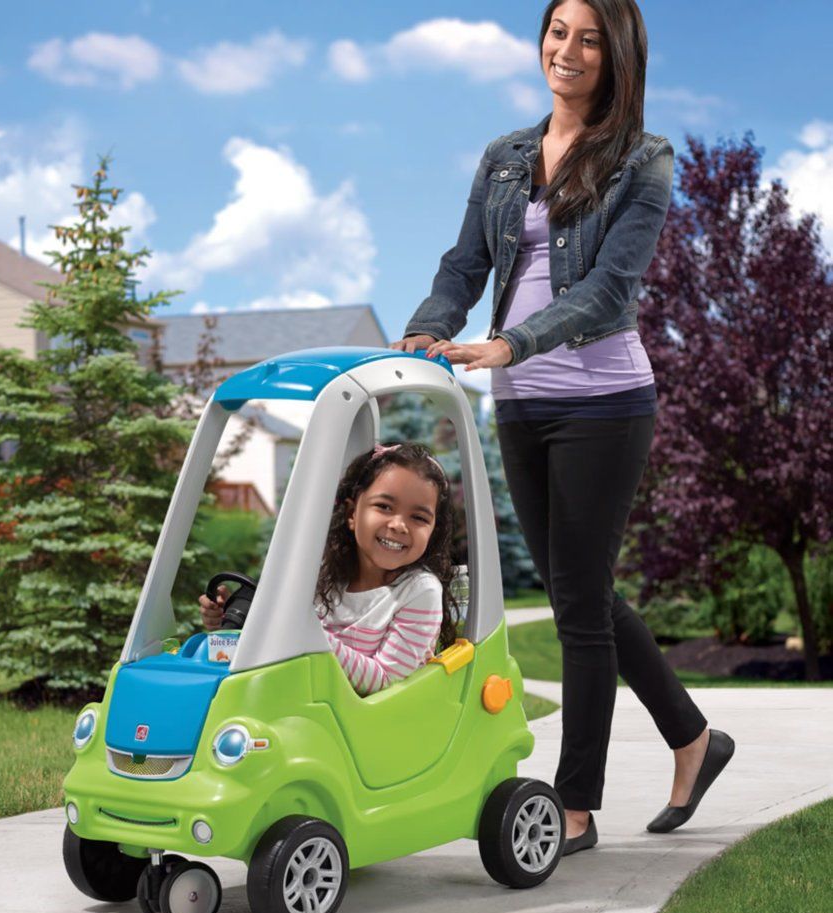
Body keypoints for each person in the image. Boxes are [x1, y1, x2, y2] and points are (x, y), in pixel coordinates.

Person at [392, 0, 734, 853]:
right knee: (582, 593)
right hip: (521, 400)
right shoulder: (506, 156)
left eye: (588, 38)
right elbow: (464, 265)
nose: (568, 50)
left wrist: (512, 343)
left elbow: (610, 290)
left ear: (616, 55)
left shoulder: (644, 159)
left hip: (603, 400)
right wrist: (427, 327)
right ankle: (694, 739)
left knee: (580, 608)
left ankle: (574, 807)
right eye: (557, 32)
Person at [200, 442, 459, 697]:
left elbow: (384, 680)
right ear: (352, 513)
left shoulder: (420, 591)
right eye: (384, 507)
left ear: (432, 531)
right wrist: (233, 624)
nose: (398, 525)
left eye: (418, 518)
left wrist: (303, 630)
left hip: (375, 720)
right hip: (307, 705)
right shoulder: (326, 575)